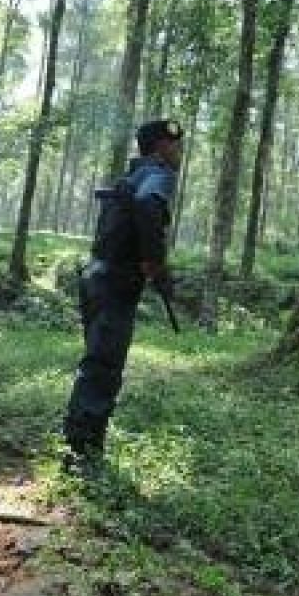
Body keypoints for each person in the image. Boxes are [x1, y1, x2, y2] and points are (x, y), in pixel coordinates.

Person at [62, 119, 183, 473]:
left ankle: (78, 443)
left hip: (95, 278)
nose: (178, 154)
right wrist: (154, 261)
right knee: (103, 369)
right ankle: (82, 455)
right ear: (161, 147)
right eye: (175, 147)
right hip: (114, 282)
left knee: (96, 364)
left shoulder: (131, 175)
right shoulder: (157, 176)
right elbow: (148, 205)